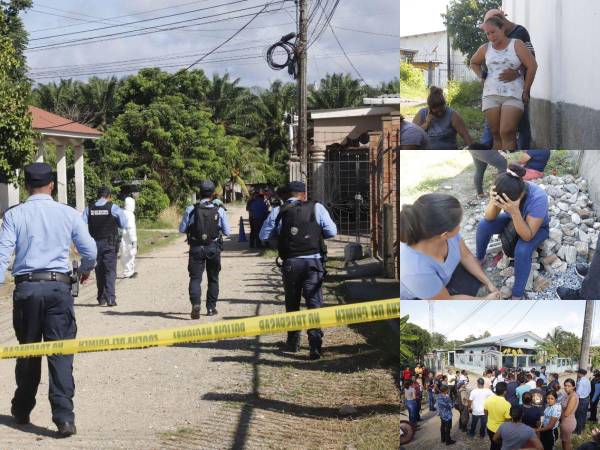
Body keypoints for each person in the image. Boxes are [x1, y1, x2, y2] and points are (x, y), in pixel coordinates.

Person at [0, 163, 97, 437]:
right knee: (61, 354)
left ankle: (21, 409)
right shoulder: (68, 214)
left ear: (26, 186)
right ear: (52, 185)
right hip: (58, 290)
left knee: (27, 351)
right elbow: (90, 250)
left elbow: (2, 254)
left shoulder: (13, 215)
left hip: (27, 290)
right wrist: (85, 270)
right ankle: (64, 418)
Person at [259, 181, 337, 359]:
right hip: (313, 263)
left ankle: (293, 341)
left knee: (292, 302)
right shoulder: (317, 207)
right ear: (304, 194)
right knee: (314, 303)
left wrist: (281, 237)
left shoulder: (279, 211)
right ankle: (315, 345)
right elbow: (332, 231)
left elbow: (263, 235)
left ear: (287, 195)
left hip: (291, 263)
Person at [400, 193, 500, 300]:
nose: (460, 227)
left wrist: (487, 282)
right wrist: (484, 300)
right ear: (444, 234)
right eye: (458, 224)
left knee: (471, 281)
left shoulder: (439, 232)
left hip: (442, 279)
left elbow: (465, 255)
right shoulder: (416, 271)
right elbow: (446, 301)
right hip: (419, 298)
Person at [476, 164, 550, 299]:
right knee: (483, 225)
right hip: (512, 219)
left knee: (522, 250)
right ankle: (480, 258)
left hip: (537, 229)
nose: (504, 205)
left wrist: (515, 211)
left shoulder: (538, 198)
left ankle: (517, 294)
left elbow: (527, 236)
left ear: (521, 195)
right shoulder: (505, 187)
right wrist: (494, 201)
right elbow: (489, 218)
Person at [470, 16, 537, 151]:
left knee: (507, 132)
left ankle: (511, 166)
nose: (490, 36)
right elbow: (473, 62)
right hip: (490, 95)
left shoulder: (516, 44)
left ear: (502, 29)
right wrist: (482, 75)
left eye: (493, 31)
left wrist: (526, 90)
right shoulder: (485, 48)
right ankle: (500, 167)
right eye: (487, 33)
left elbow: (532, 66)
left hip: (513, 94)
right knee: (495, 134)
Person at [179, 181, 230, 318]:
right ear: (213, 193)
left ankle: (196, 304)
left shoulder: (191, 209)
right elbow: (227, 232)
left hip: (196, 247)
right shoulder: (219, 209)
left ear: (199, 192)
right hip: (213, 247)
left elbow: (182, 229)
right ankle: (211, 308)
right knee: (213, 278)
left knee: (195, 278)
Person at [82, 186, 128, 307]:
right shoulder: (113, 207)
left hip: (94, 243)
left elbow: (81, 224)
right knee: (110, 271)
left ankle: (101, 298)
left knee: (99, 270)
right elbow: (124, 223)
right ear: (109, 196)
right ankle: (111, 299)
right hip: (109, 243)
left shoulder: (89, 208)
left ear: (98, 195)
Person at [485, 381, 512, 450]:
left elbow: (486, 412)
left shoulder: (488, 399)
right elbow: (508, 420)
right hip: (500, 431)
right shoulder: (507, 404)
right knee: (499, 446)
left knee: (493, 443)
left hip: (489, 427)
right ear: (505, 392)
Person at [120, 195, 137, 279]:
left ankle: (127, 271)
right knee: (130, 253)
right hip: (128, 237)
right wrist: (134, 240)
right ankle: (129, 272)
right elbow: (131, 228)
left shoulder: (121, 212)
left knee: (123, 253)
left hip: (121, 236)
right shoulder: (130, 214)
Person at [561, 378, 580, 450]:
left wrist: (558, 419)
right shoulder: (567, 394)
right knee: (564, 441)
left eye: (569, 386)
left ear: (573, 387)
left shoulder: (573, 397)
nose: (566, 388)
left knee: (566, 444)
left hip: (568, 422)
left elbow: (566, 413)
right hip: (564, 421)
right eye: (565, 385)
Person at [576, 369, 592, 434]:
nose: (577, 374)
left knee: (579, 415)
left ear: (580, 373)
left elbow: (578, 392)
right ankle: (582, 428)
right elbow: (589, 390)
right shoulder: (587, 379)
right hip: (586, 398)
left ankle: (578, 431)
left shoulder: (581, 381)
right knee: (584, 414)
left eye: (577, 373)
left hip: (582, 400)